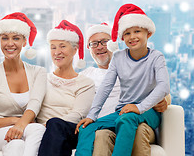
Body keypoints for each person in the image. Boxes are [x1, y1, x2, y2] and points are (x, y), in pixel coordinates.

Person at [38, 22, 169, 156]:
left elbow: (160, 88)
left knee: (124, 123)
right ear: (89, 48)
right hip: (104, 122)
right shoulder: (85, 77)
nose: (99, 47)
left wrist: (162, 101)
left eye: (104, 42)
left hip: (131, 118)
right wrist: (91, 117)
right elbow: (99, 91)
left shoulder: (130, 66)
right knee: (86, 129)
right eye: (94, 44)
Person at [75, 4, 170, 156]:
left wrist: (139, 107)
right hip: (123, 111)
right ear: (122, 37)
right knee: (88, 127)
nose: (132, 37)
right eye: (127, 33)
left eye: (137, 31)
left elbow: (164, 87)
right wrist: (92, 116)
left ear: (148, 33)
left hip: (148, 112)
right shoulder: (118, 58)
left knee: (126, 119)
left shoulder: (156, 57)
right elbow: (106, 87)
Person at [0, 12, 47, 156]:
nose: (10, 43)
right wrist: (15, 122)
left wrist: (20, 125)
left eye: (16, 38)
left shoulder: (38, 72)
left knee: (18, 143)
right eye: (5, 38)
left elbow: (35, 104)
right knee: (35, 130)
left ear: (24, 42)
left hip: (23, 132)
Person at [37, 20, 95, 156]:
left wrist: (50, 126)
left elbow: (77, 115)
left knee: (55, 124)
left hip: (71, 130)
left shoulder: (85, 83)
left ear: (75, 50)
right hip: (42, 130)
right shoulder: (41, 78)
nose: (57, 52)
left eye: (62, 46)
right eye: (53, 47)